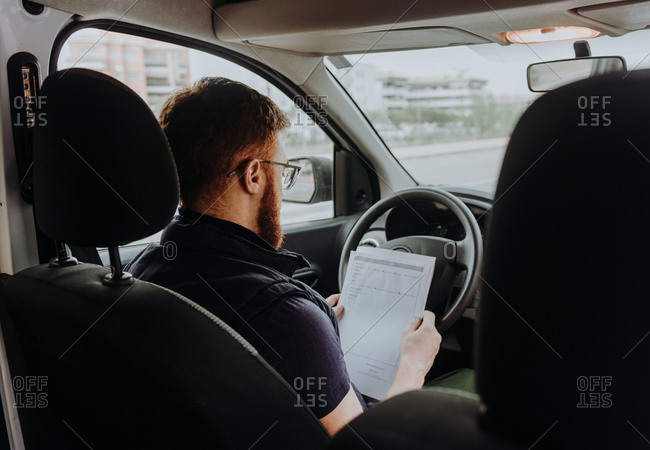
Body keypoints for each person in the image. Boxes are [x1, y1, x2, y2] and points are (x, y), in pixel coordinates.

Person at [126, 77, 442, 436]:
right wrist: (414, 365)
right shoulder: (285, 320)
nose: (283, 185)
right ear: (255, 175)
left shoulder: (142, 271)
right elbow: (364, 445)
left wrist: (317, 323)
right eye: (285, 172)